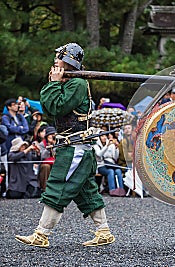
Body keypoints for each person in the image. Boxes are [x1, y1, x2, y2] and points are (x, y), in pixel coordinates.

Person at [15, 43, 115, 248]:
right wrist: (56, 82)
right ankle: (103, 231)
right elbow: (49, 106)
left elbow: (56, 107)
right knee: (86, 191)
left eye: (59, 57)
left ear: (68, 61)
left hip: (74, 147)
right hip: (76, 146)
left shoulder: (76, 84)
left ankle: (42, 234)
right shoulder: (70, 82)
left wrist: (53, 83)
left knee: (57, 186)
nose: (55, 60)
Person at [37, 126, 57, 191]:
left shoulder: (59, 142)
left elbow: (58, 154)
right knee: (46, 166)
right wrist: (48, 147)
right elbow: (43, 156)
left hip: (56, 162)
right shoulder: (42, 144)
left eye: (53, 135)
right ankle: (45, 188)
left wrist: (54, 145)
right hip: (45, 163)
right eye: (50, 135)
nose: (52, 137)